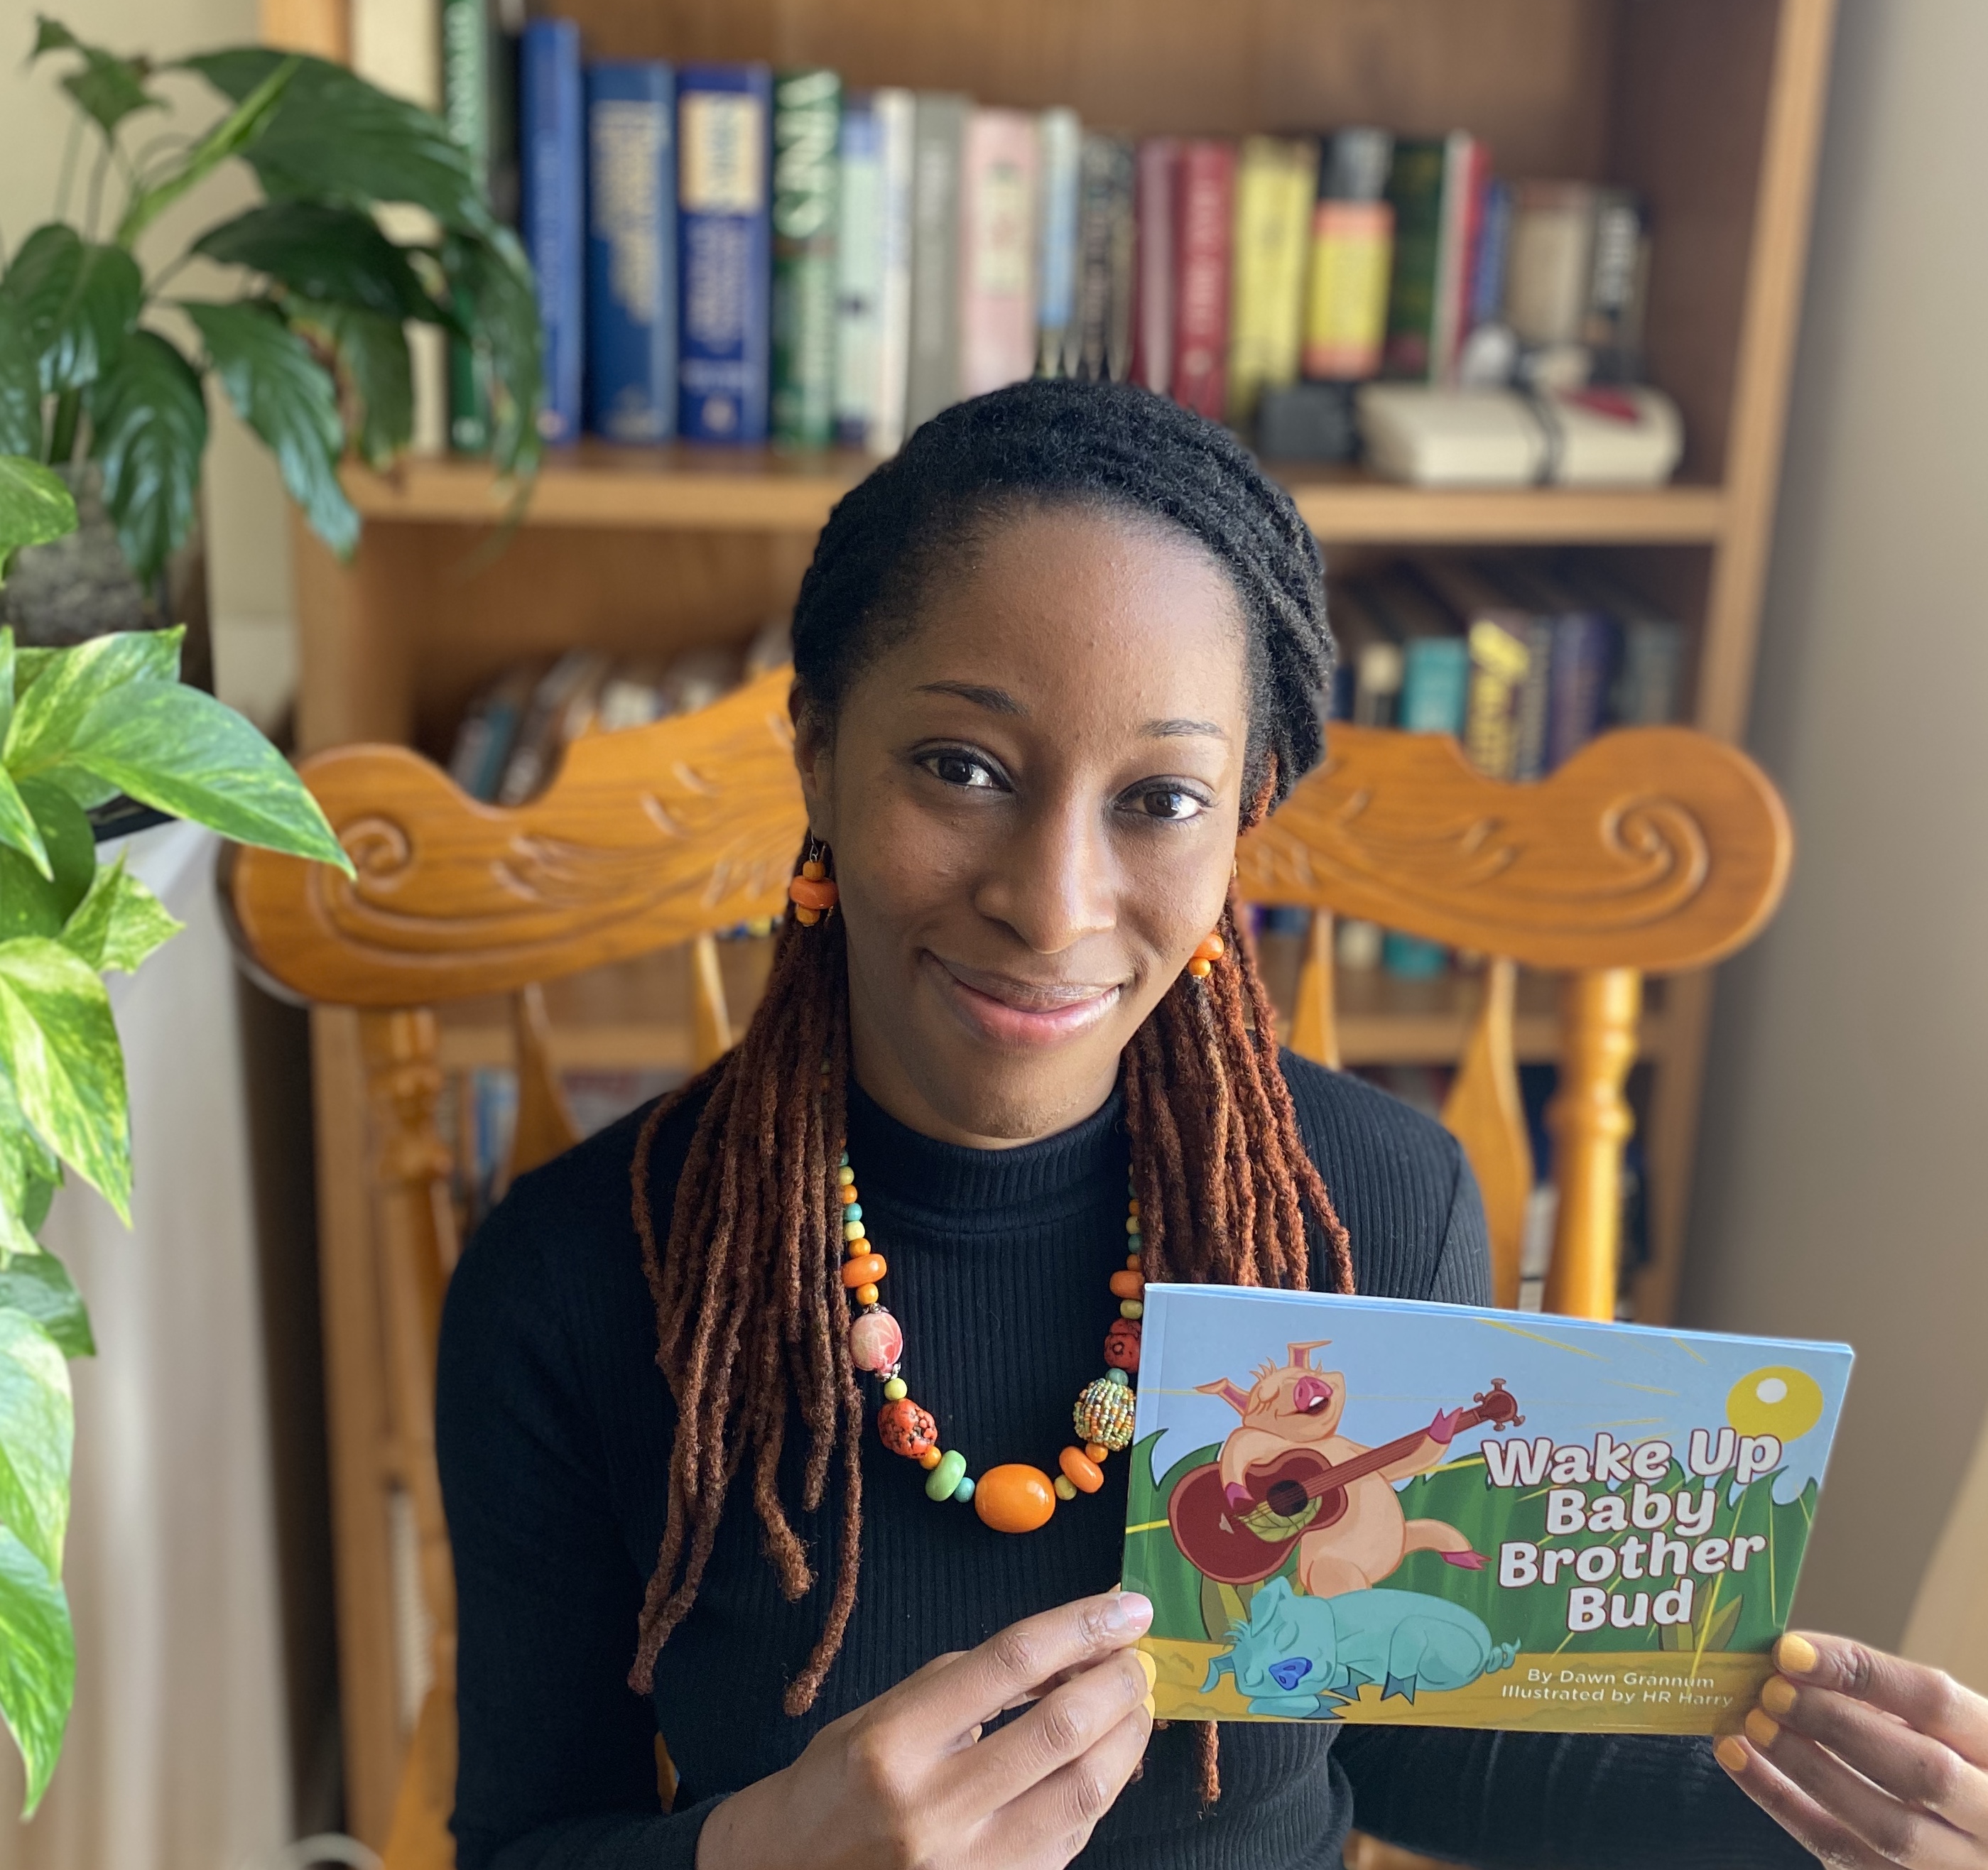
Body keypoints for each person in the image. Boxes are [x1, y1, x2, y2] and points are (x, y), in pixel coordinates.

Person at [438, 381, 1988, 1870]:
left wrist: (1836, 1808)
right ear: (817, 754)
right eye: (961, 768)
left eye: (1159, 797)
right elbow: (524, 1836)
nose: (1052, 903)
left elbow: (1404, 1735)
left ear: (1244, 812)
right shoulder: (574, 1284)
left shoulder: (1374, 1207)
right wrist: (762, 1856)